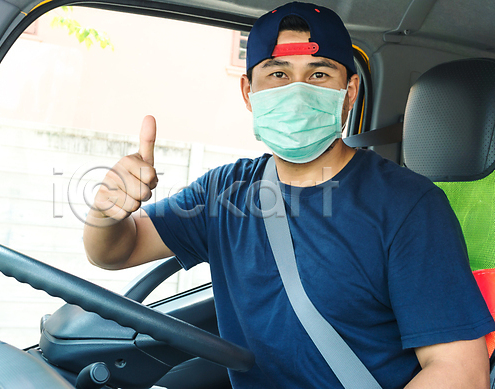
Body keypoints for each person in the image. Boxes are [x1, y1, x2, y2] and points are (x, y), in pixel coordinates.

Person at [83, 2, 495, 388]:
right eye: (278, 75)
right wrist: (106, 211)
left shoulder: (409, 205)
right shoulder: (223, 192)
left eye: (318, 74)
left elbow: (460, 371)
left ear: (349, 93)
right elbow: (117, 251)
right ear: (249, 92)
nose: (297, 92)